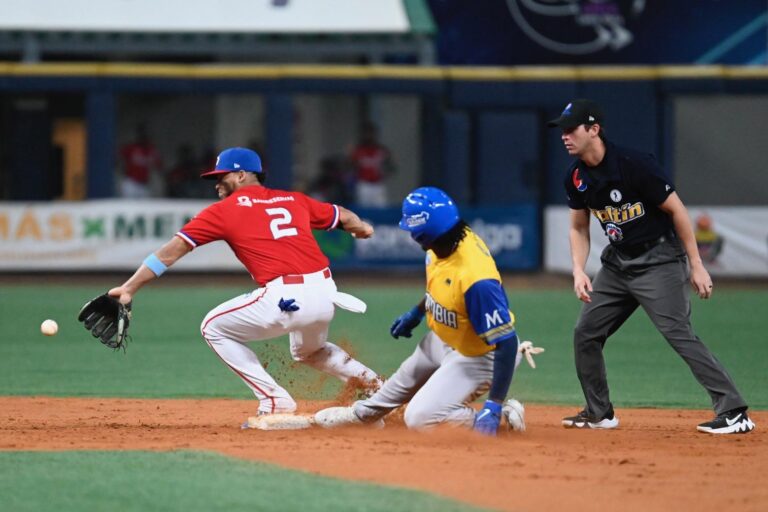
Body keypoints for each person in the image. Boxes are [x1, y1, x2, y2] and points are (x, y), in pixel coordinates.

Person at [107, 147, 382, 419]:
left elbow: (170, 252)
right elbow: (344, 215)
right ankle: (376, 387)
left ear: (241, 176)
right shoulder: (292, 199)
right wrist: (363, 228)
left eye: (221, 176)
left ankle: (275, 401)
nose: (217, 184)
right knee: (310, 351)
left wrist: (130, 287)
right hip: (327, 295)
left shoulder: (223, 211)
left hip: (286, 298)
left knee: (213, 327)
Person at [548, 99, 754, 435]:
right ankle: (599, 413)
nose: (564, 136)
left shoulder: (634, 164)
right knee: (586, 333)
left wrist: (696, 265)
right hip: (617, 265)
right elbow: (578, 227)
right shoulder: (575, 176)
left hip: (658, 259)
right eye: (562, 130)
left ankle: (734, 411)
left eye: (571, 129)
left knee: (678, 334)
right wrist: (577, 269)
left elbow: (678, 211)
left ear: (594, 129)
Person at [314, 187, 542, 435]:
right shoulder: (443, 245)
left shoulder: (476, 279)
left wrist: (494, 405)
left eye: (412, 229)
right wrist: (418, 312)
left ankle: (498, 419)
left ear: (422, 235)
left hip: (477, 355)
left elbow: (506, 342)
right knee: (400, 384)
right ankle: (364, 413)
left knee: (419, 418)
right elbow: (445, 287)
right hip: (443, 338)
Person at [349, 121, 394, 207]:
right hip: (363, 184)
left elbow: (391, 166)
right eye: (367, 133)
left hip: (378, 184)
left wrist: (385, 172)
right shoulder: (358, 150)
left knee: (381, 209)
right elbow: (350, 166)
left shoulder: (381, 150)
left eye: (371, 133)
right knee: (364, 210)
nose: (369, 136)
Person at [119, 124, 163, 198]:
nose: (144, 136)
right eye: (142, 134)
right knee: (129, 207)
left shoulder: (152, 150)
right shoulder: (131, 148)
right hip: (131, 183)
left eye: (146, 134)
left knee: (144, 208)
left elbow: (159, 167)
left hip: (144, 185)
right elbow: (118, 159)